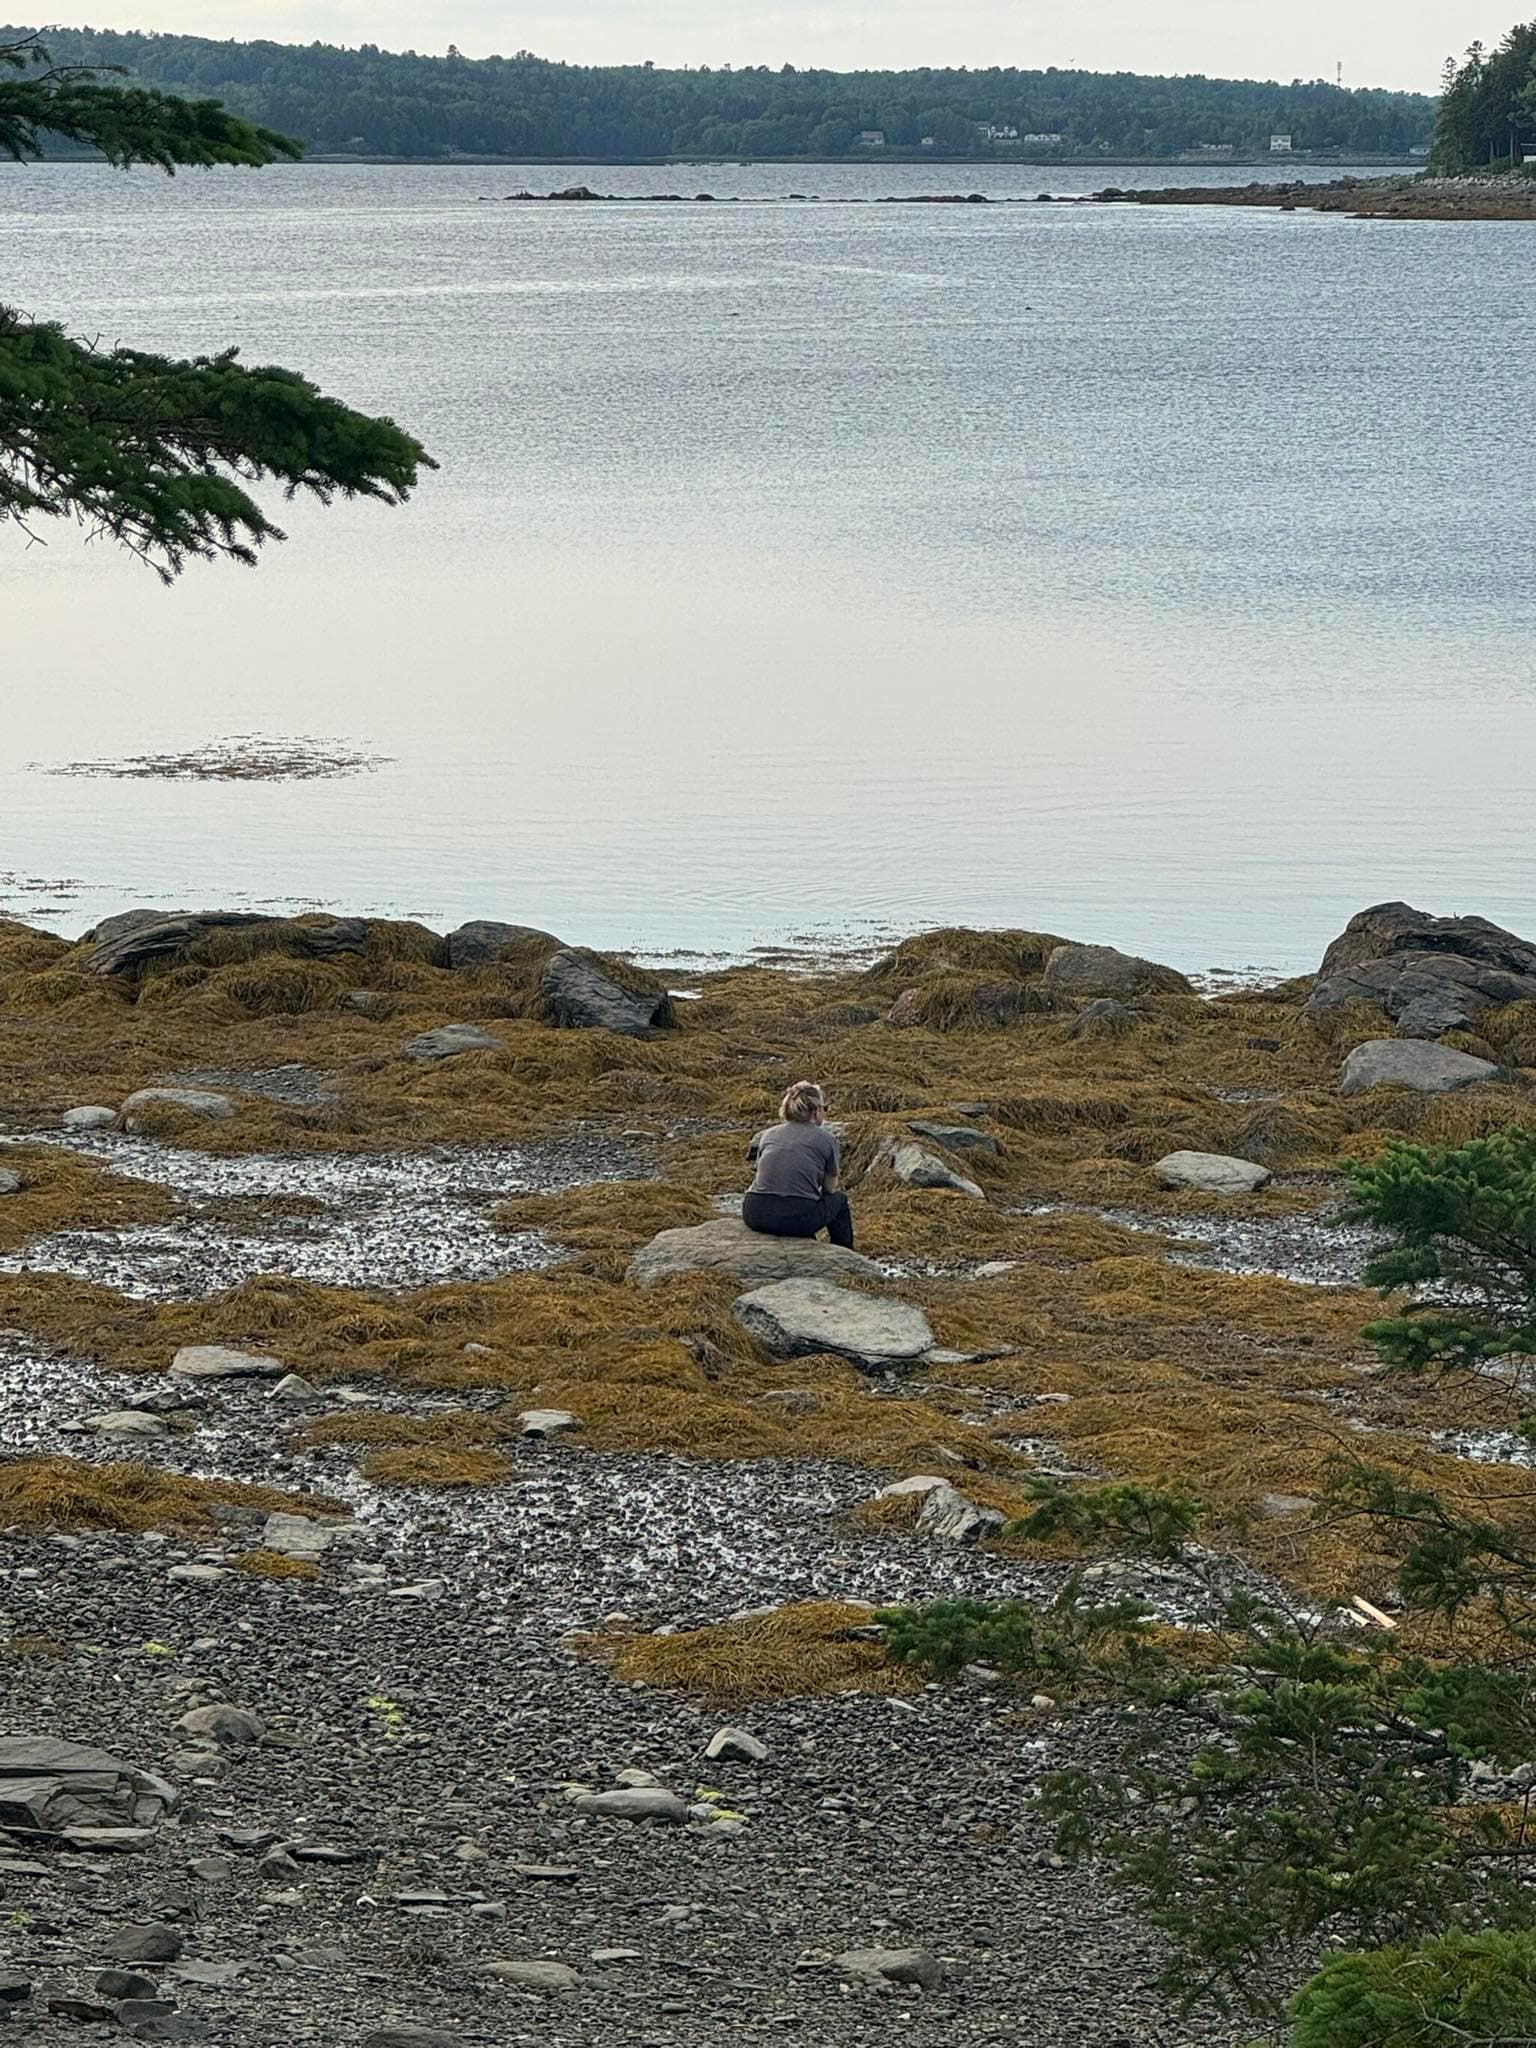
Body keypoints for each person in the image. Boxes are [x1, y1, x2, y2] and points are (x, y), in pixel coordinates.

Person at [742, 1080, 855, 1250]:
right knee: (839, 1200)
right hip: (798, 1219)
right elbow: (829, 1189)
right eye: (825, 1108)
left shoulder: (768, 1135)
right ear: (816, 1111)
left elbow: (761, 1173)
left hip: (755, 1213)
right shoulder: (826, 1139)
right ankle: (844, 1252)